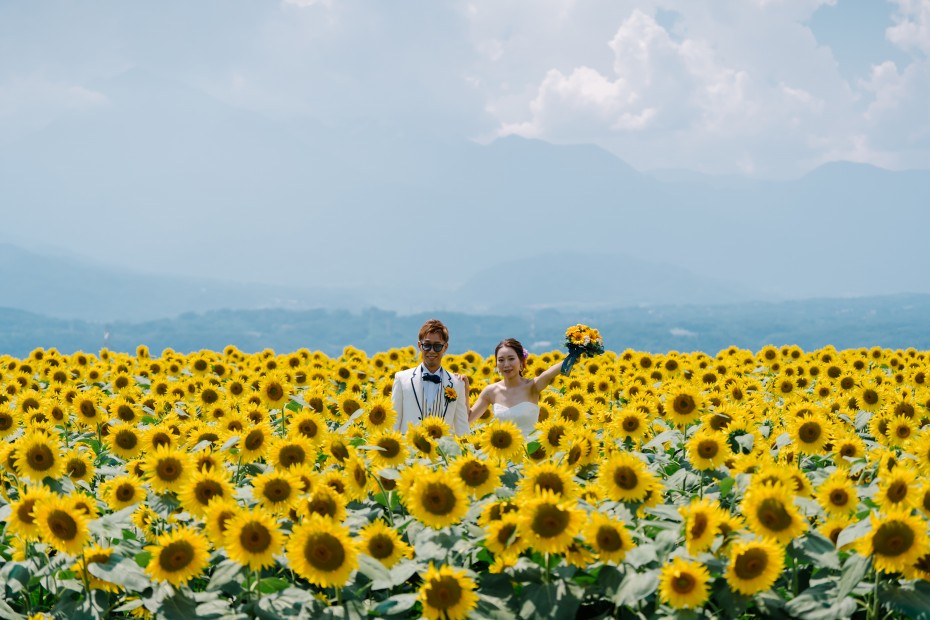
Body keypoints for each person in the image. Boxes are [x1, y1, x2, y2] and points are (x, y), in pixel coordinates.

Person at [462, 338, 578, 437]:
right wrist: (465, 389)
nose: (506, 364)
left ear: (521, 361)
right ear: (496, 364)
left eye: (511, 359)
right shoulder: (491, 391)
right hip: (504, 453)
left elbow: (553, 371)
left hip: (531, 455)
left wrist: (577, 352)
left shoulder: (532, 386)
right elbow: (467, 419)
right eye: (501, 360)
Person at [392, 319, 469, 436]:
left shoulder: (457, 383)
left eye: (437, 346)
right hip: (409, 451)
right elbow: (394, 421)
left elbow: (462, 427)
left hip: (442, 452)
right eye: (427, 345)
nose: (432, 351)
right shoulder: (402, 379)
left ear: (445, 347)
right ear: (419, 346)